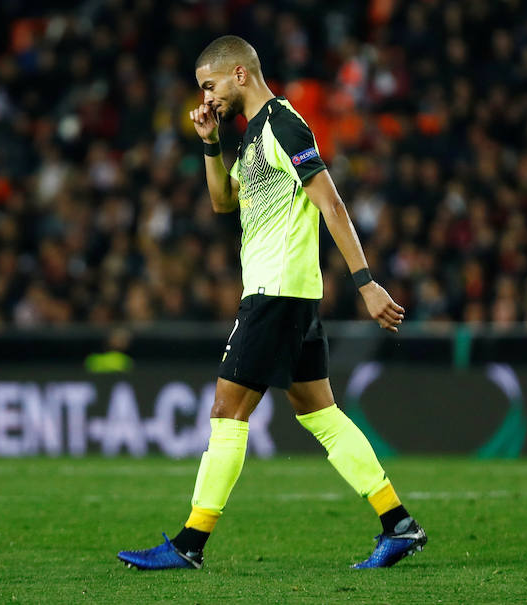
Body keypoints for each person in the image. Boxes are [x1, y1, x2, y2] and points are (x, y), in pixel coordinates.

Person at [117, 36, 427, 570]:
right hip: (286, 293)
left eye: (209, 87)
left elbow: (330, 200)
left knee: (226, 410)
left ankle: (191, 542)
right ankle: (397, 523)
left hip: (276, 290)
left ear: (239, 74)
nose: (206, 98)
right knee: (318, 412)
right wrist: (210, 143)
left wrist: (366, 282)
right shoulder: (254, 137)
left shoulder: (285, 124)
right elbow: (222, 201)